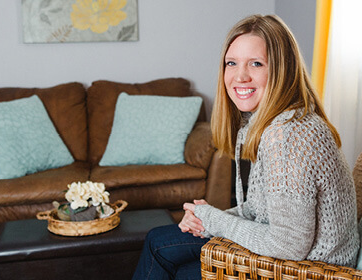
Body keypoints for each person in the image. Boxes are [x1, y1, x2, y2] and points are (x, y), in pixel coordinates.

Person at [132, 14, 360, 280]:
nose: (240, 76)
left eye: (256, 63)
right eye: (232, 63)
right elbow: (260, 210)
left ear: (282, 68)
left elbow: (288, 245)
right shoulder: (275, 121)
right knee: (159, 240)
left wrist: (214, 220)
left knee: (174, 263)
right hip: (292, 258)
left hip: (309, 270)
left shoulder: (288, 135)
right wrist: (205, 219)